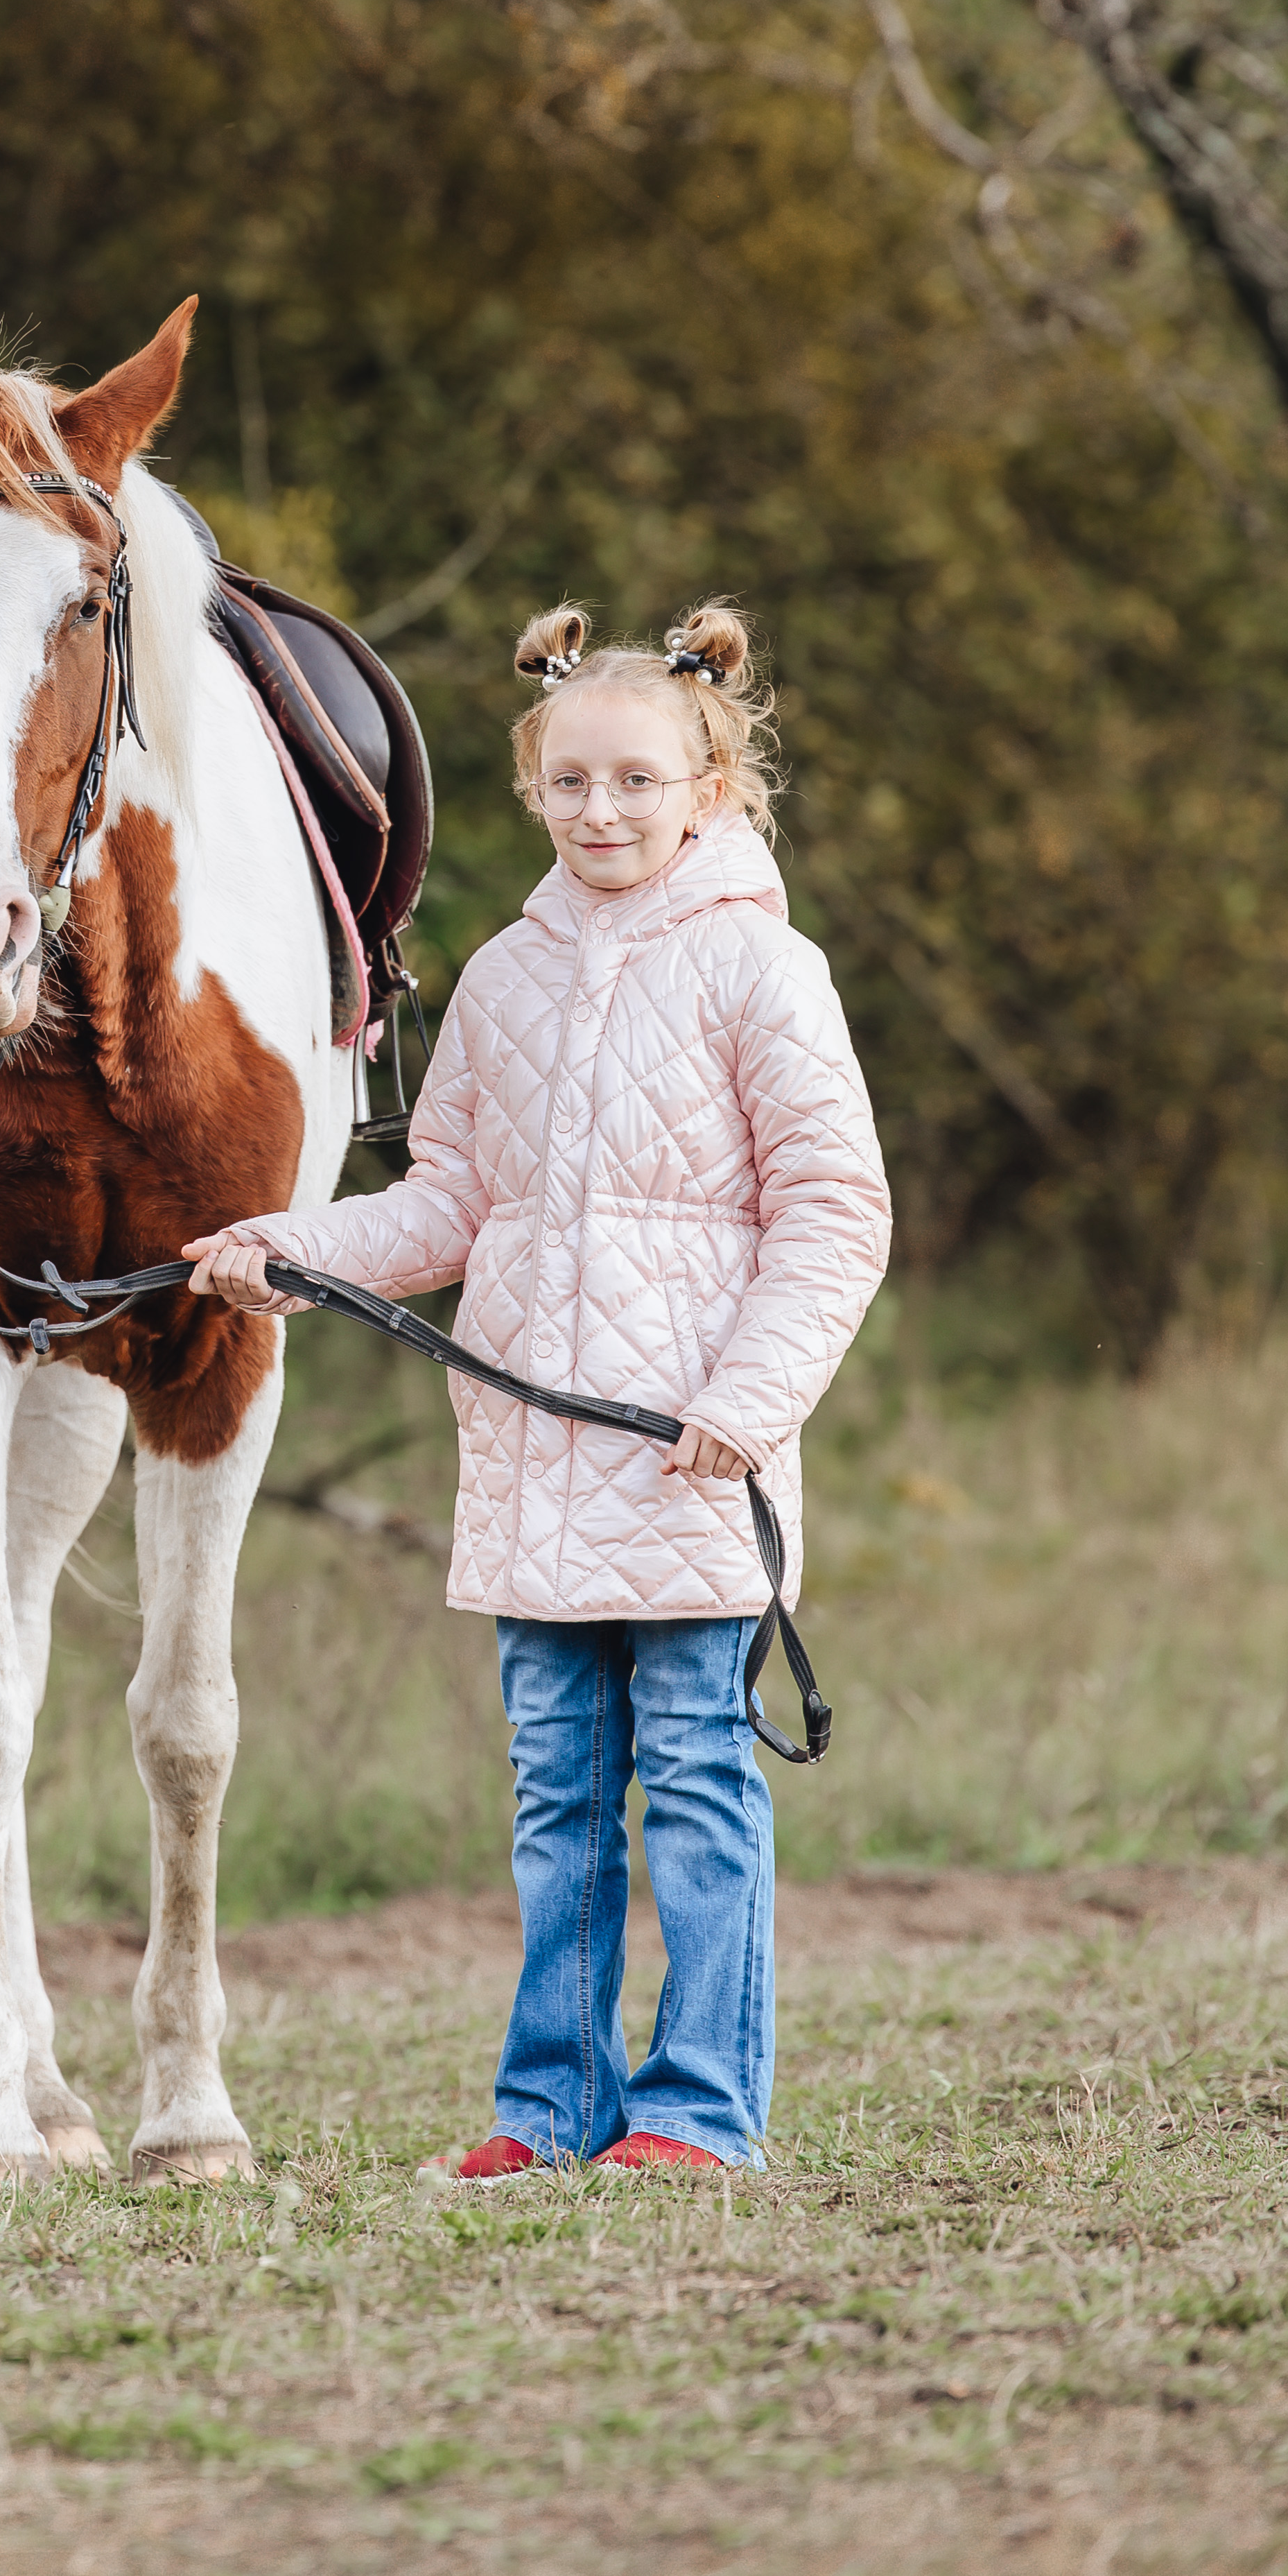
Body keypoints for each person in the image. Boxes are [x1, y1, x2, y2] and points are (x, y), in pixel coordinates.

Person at [185, 600, 891, 2175]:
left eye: (637, 783)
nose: (602, 812)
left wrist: (751, 1397)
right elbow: (444, 1202)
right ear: (532, 786)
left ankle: (699, 2111)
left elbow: (836, 1212)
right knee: (557, 1807)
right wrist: (285, 1242)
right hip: (530, 1469)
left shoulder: (764, 970)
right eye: (571, 783)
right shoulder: (500, 978)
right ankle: (548, 2109)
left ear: (705, 787)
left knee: (700, 1795)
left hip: (695, 1463)